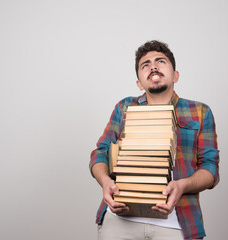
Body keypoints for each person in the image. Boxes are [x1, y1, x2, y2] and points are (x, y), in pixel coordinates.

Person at [89, 40, 220, 240]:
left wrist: (182, 185)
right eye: (145, 65)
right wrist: (106, 182)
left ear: (176, 75)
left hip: (178, 223)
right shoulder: (123, 107)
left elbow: (210, 169)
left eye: (160, 61)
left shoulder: (200, 112)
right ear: (139, 82)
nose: (153, 66)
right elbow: (100, 153)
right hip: (121, 221)